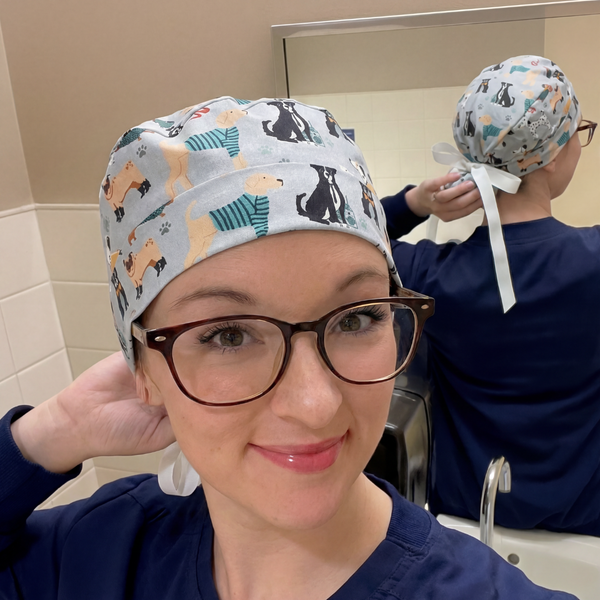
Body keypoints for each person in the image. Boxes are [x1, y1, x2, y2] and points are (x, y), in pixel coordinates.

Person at [0, 97, 576, 599]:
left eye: (357, 318)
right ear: (142, 364)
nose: (315, 405)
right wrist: (50, 433)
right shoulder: (95, 555)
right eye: (228, 335)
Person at [382, 55, 600, 536]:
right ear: (554, 154)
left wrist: (414, 203)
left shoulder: (427, 274)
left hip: (468, 523)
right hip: (585, 527)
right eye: (580, 133)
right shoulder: (593, 261)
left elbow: (346, 239)